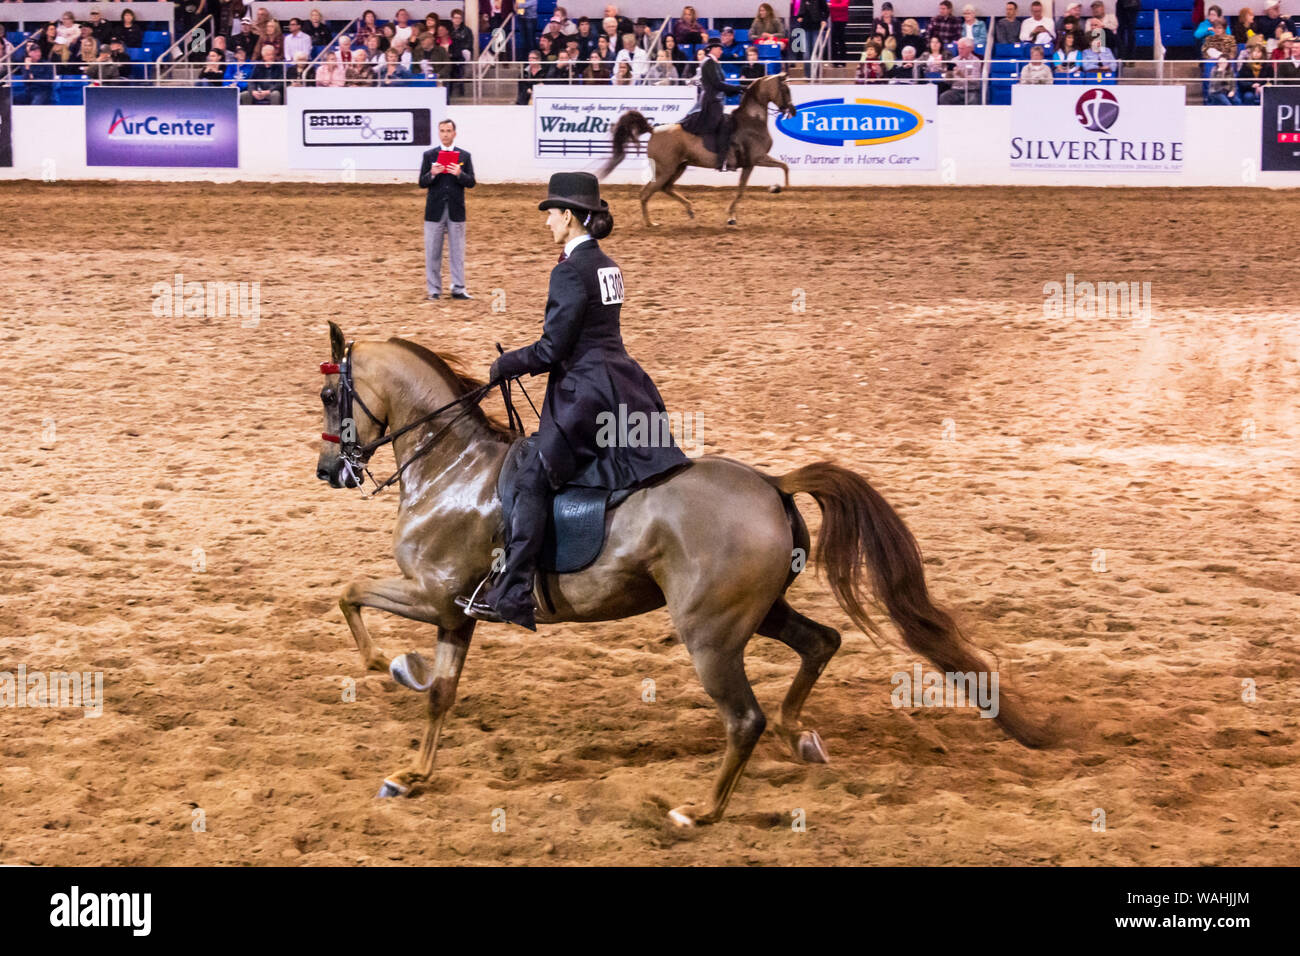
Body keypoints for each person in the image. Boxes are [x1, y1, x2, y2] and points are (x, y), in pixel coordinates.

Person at [458, 173, 689, 631]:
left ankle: (516, 590)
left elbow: (552, 349)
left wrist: (508, 365)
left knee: (531, 479)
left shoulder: (568, 270)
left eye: (550, 215)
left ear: (568, 216)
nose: (546, 224)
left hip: (585, 392)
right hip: (623, 382)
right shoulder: (608, 265)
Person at [419, 119, 475, 301]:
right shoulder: (429, 155)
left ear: (454, 133)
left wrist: (459, 174)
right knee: (432, 252)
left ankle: (458, 288)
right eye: (442, 130)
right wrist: (432, 173)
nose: (445, 134)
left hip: (455, 210)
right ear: (439, 133)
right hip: (434, 210)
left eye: (448, 130)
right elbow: (422, 182)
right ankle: (434, 289)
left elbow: (471, 182)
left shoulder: (464, 156)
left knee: (457, 252)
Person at [679, 39, 745, 171]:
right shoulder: (708, 62)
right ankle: (722, 161)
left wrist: (735, 91)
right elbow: (717, 84)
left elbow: (720, 86)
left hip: (715, 102)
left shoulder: (714, 63)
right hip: (710, 104)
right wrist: (738, 88)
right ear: (713, 49)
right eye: (719, 48)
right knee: (726, 125)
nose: (721, 50)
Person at [940, 36, 983, 101]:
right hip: (956, 89)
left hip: (970, 90)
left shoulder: (976, 61)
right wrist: (948, 75)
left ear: (969, 48)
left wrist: (961, 75)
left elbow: (975, 81)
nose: (959, 51)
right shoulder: (954, 60)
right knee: (944, 97)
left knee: (973, 98)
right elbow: (948, 82)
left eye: (962, 48)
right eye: (959, 48)